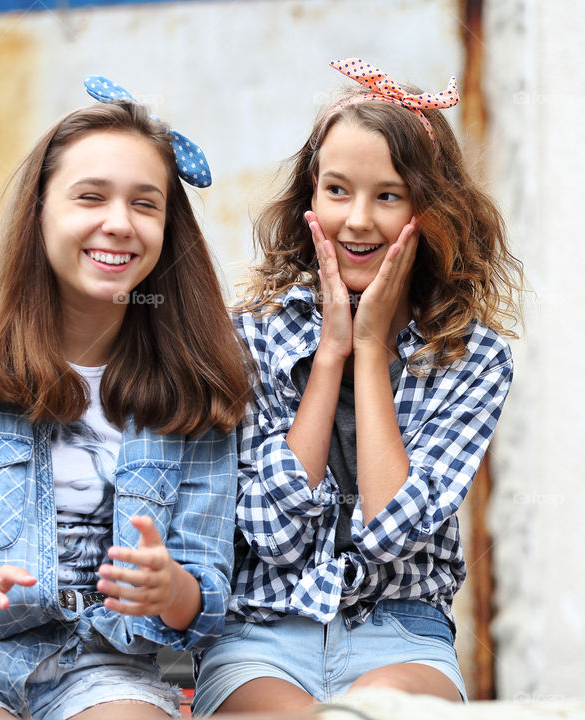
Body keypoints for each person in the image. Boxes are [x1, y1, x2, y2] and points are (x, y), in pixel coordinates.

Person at [0, 76, 248, 720]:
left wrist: (171, 589)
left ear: (169, 230)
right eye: (90, 197)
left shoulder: (195, 381)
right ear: (39, 210)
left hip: (116, 665)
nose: (119, 223)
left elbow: (207, 599)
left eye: (146, 204)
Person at [191, 59, 523, 715]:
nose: (358, 221)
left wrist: (369, 351)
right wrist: (328, 357)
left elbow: (392, 528)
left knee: (376, 712)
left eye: (389, 195)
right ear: (308, 198)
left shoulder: (475, 357)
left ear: (431, 210)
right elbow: (275, 536)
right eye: (337, 190)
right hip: (264, 630)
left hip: (401, 633)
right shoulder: (250, 337)